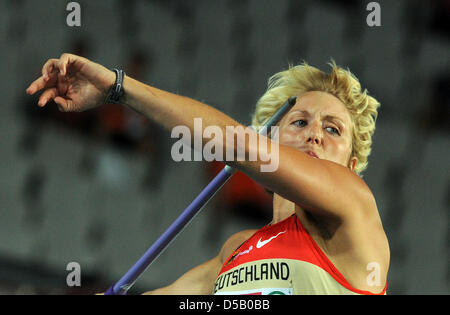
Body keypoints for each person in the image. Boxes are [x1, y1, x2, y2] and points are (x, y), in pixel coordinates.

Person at [26, 53, 389, 295]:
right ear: (272, 138)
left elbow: (236, 145)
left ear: (352, 165)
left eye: (333, 129)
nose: (314, 134)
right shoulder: (236, 251)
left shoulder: (353, 205)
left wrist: (118, 88)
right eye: (300, 121)